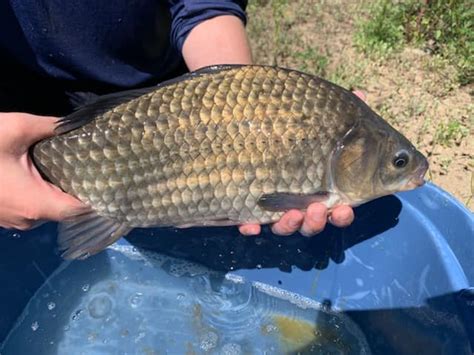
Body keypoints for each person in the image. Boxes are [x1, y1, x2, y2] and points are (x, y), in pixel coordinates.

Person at [0, 1, 354, 237]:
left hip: (169, 107)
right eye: (398, 164)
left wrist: (241, 106)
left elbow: (202, 6)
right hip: (16, 121)